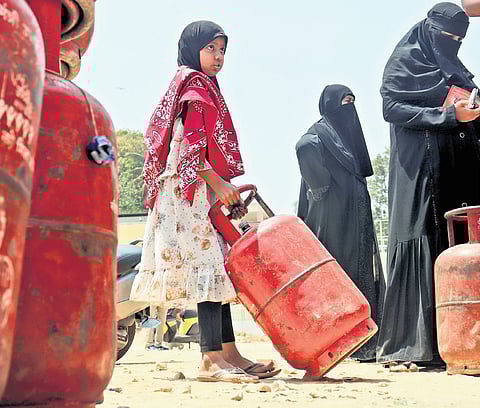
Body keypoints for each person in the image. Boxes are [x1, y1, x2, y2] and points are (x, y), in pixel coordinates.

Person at [130, 21, 280, 382]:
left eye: (223, 50)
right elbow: (189, 147)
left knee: (216, 268)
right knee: (207, 266)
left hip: (195, 191)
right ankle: (210, 360)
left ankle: (229, 353)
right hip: (185, 193)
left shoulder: (197, 84)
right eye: (211, 49)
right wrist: (216, 181)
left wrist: (220, 189)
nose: (218, 57)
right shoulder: (195, 85)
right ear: (192, 48)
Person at [377, 2, 480, 367]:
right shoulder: (406, 62)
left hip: (456, 168)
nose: (450, 43)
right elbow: (392, 107)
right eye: (446, 36)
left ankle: (459, 341)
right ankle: (413, 345)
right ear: (429, 29)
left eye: (458, 39)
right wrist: (447, 114)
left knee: (458, 246)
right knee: (422, 235)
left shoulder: (456, 67)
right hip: (419, 169)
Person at [295, 84, 385, 362]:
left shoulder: (347, 139)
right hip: (332, 219)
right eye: (344, 102)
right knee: (336, 273)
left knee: (359, 273)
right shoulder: (319, 134)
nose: (350, 108)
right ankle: (333, 340)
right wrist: (321, 186)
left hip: (356, 217)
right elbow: (304, 146)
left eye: (352, 102)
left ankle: (363, 339)